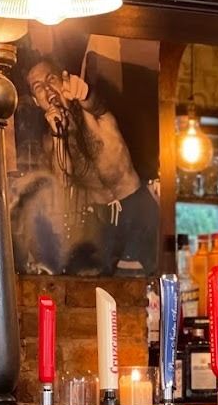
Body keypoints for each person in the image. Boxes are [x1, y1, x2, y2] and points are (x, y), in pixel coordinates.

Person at [12, 55, 158, 275]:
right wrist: (57, 134)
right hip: (101, 220)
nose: (47, 88)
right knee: (105, 291)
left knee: (148, 286)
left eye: (51, 79)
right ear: (35, 100)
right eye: (38, 86)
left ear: (64, 81)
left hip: (135, 206)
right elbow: (62, 182)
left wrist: (85, 94)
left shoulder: (90, 113)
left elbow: (97, 105)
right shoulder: (51, 140)